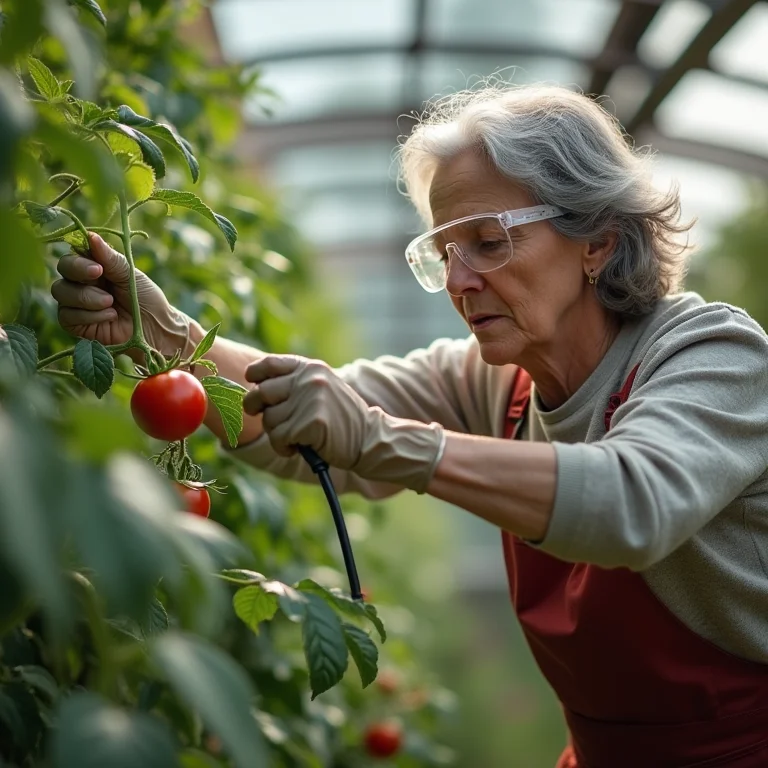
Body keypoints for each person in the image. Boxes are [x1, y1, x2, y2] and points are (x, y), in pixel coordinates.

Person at [51, 83, 768, 767]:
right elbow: (306, 420)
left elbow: (631, 503)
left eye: (488, 241)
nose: (458, 282)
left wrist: (381, 439)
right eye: (445, 253)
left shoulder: (711, 355)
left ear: (598, 241)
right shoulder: (496, 383)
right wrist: (168, 333)